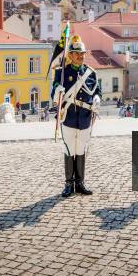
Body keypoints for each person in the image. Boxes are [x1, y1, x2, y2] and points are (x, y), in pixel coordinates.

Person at [51, 35, 102, 197]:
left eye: (83, 54)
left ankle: (80, 183)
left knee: (81, 149)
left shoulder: (90, 73)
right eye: (77, 54)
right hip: (69, 117)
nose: (81, 56)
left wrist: (97, 98)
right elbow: (54, 93)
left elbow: (97, 91)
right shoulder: (62, 72)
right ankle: (68, 184)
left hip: (85, 117)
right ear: (70, 55)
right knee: (69, 150)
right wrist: (57, 92)